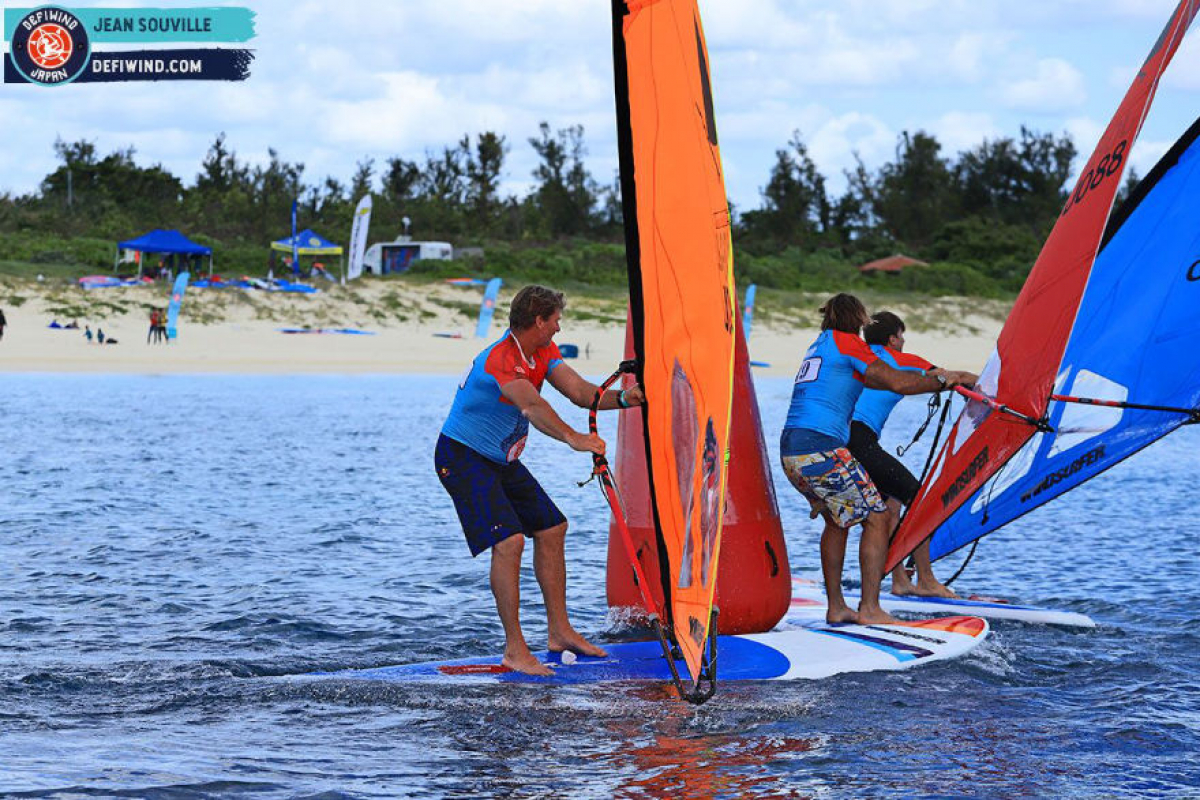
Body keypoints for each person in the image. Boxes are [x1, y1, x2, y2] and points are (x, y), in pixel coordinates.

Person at [435, 284, 646, 676]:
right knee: (510, 540)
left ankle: (559, 631)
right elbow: (532, 406)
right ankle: (515, 649)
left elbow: (583, 393)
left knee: (552, 527)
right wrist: (575, 439)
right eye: (555, 322)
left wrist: (624, 399)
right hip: (462, 456)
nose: (559, 330)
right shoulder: (501, 360)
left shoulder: (542, 352)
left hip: (499, 461)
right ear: (538, 321)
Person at [780, 294, 975, 625]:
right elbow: (897, 381)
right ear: (857, 319)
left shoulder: (820, 345)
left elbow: (877, 381)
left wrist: (931, 383)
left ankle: (838, 607)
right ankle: (871, 607)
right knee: (878, 517)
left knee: (837, 521)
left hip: (792, 447)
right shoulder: (848, 344)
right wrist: (944, 380)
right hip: (822, 446)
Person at [850, 312, 976, 599]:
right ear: (893, 339)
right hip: (860, 440)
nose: (903, 341)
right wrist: (988, 387)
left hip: (841, 438)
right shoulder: (902, 361)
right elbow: (955, 378)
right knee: (921, 502)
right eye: (902, 336)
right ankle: (927, 579)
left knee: (892, 506)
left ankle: (900, 581)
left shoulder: (860, 356)